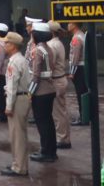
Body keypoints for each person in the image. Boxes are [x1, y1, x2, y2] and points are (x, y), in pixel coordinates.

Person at [0, 32, 30, 177]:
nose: (4, 45)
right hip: (23, 98)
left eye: (6, 43)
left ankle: (19, 167)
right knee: (20, 135)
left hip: (17, 99)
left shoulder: (14, 62)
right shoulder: (21, 59)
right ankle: (19, 164)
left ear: (12, 45)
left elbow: (12, 87)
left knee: (17, 136)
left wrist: (8, 106)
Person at [29, 22, 57, 163]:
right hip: (50, 88)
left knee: (42, 123)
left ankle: (46, 151)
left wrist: (30, 93)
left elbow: (35, 75)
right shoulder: (48, 48)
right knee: (48, 121)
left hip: (40, 91)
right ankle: (51, 150)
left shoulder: (37, 51)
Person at [47, 21, 70, 149]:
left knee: (59, 112)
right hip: (61, 78)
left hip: (56, 80)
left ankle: (63, 139)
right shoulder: (58, 43)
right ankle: (64, 137)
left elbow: (51, 64)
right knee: (62, 110)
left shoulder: (52, 45)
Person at [67, 22, 89, 126]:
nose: (68, 25)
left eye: (70, 23)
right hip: (82, 68)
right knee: (83, 93)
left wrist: (72, 72)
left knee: (80, 94)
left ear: (74, 25)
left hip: (79, 68)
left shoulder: (76, 38)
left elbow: (75, 57)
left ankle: (83, 117)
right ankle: (85, 116)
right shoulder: (82, 35)